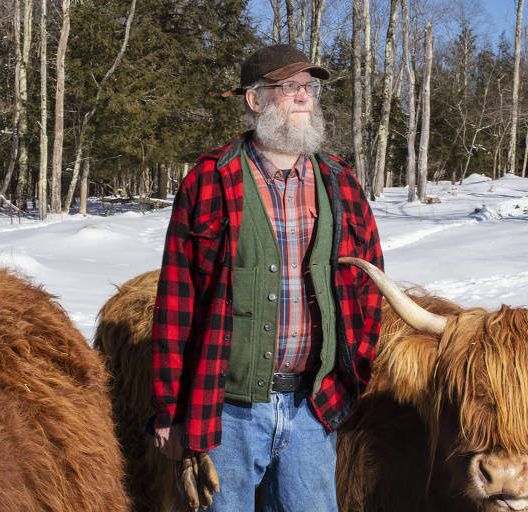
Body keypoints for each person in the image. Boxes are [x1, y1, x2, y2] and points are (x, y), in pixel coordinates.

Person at [151, 44, 384, 511]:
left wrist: (351, 373)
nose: (304, 97)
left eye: (309, 87)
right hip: (227, 413)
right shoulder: (210, 179)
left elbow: (368, 289)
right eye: (288, 87)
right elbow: (177, 302)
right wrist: (168, 412)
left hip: (312, 408)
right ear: (255, 100)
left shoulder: (340, 180)